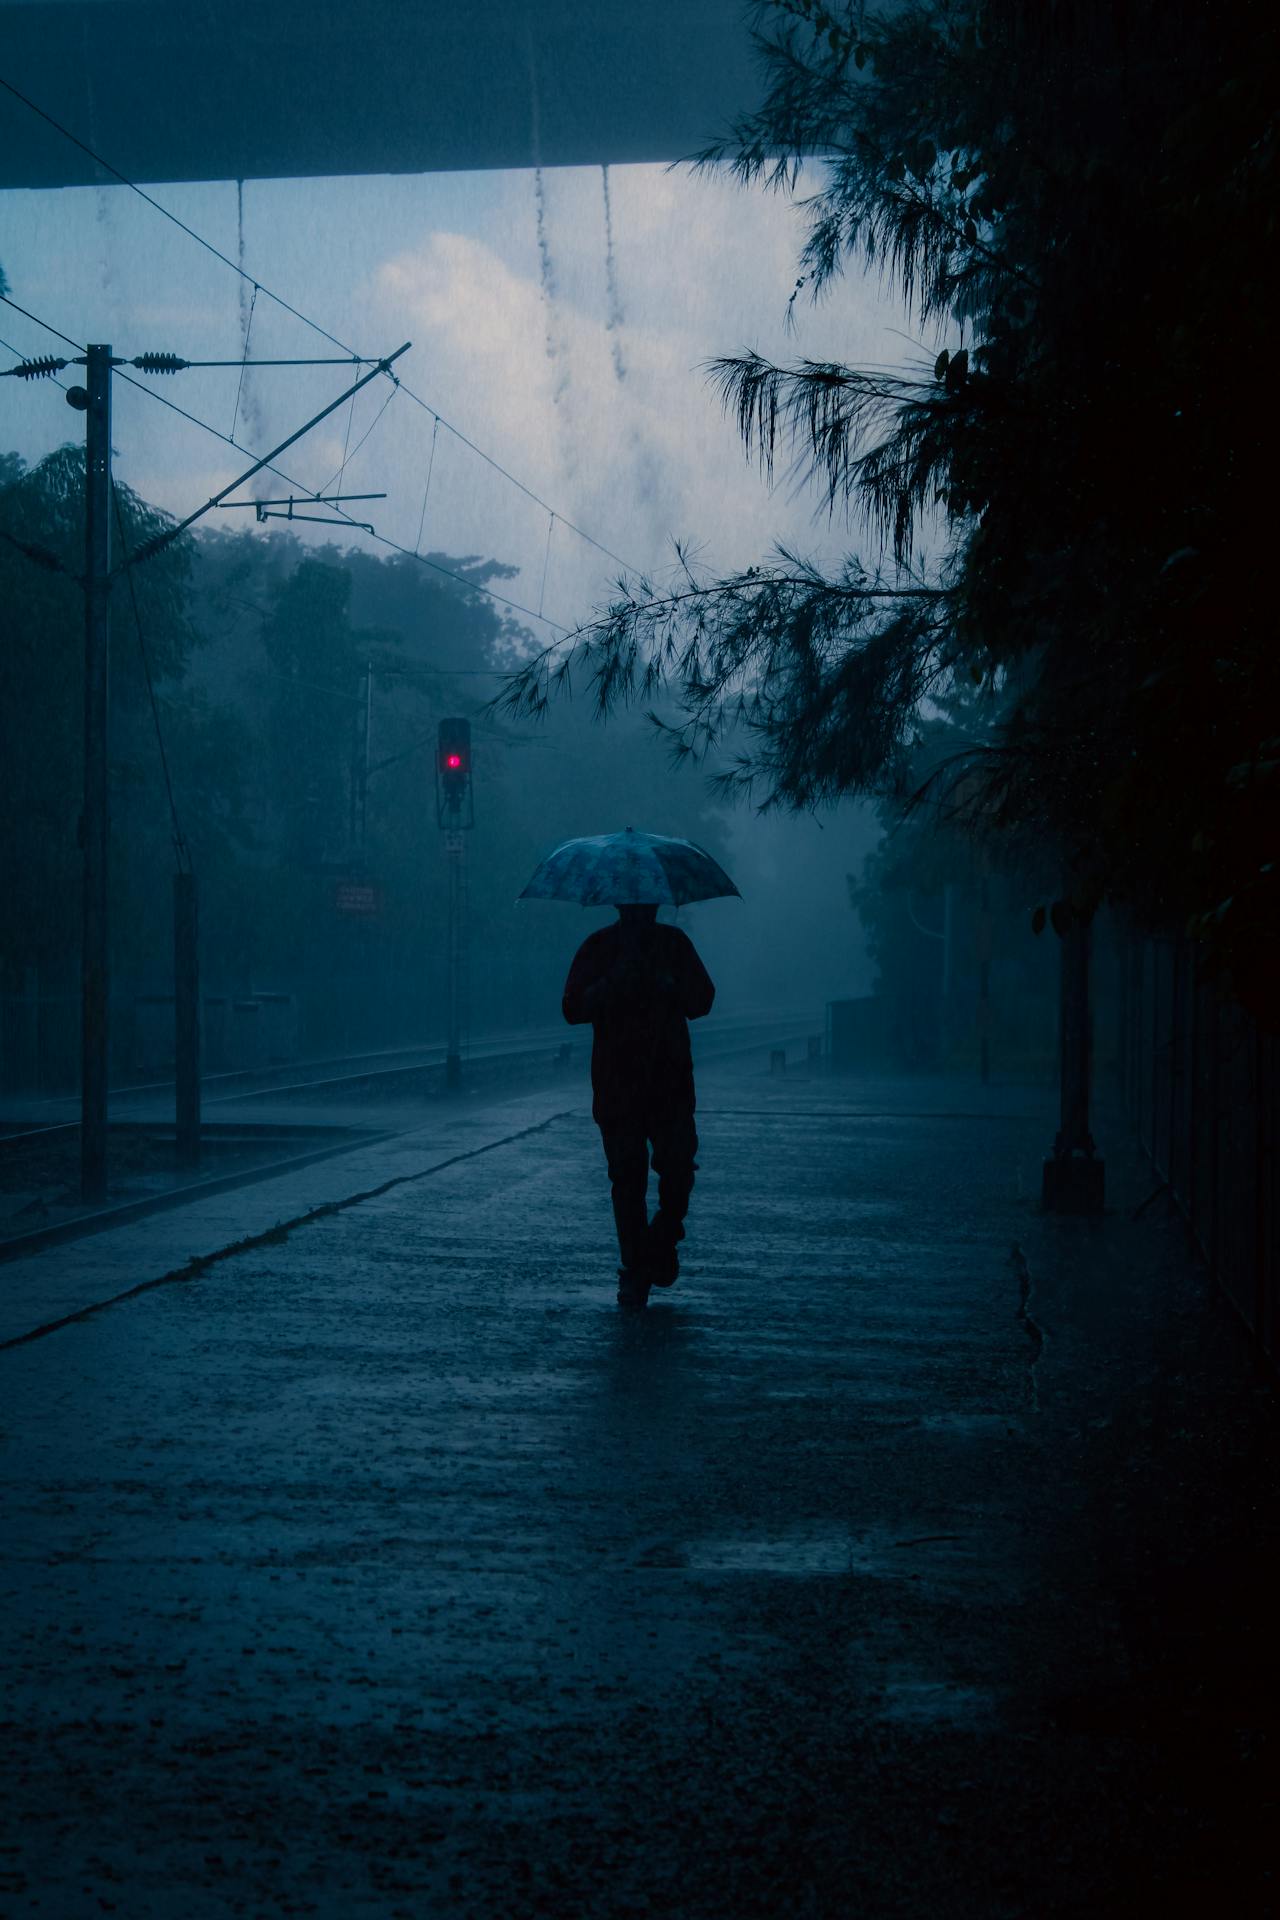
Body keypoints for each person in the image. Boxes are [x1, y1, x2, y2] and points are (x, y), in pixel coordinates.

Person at [562, 903, 715, 1309]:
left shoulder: (672, 946)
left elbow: (703, 999)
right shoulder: (602, 948)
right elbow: (572, 1007)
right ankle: (636, 1268)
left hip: (662, 1084)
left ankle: (657, 1242)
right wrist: (614, 983)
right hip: (624, 1087)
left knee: (674, 1170)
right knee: (630, 1180)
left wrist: (667, 985)